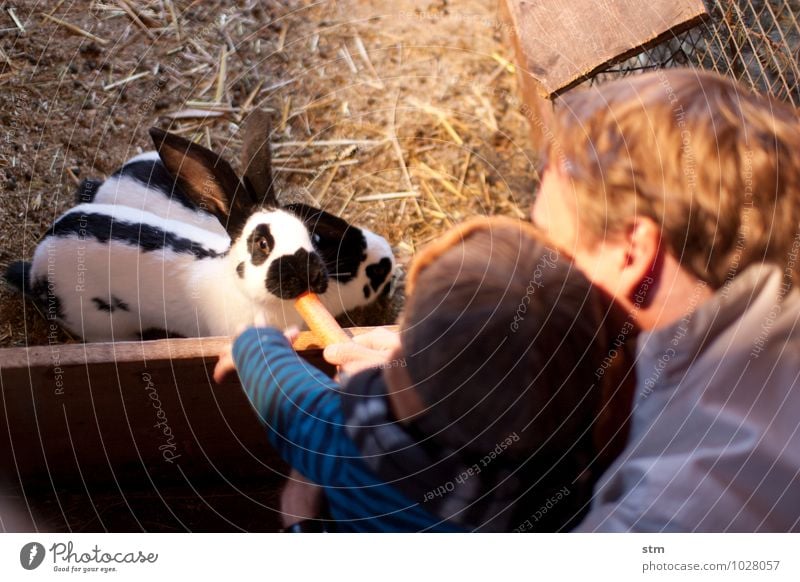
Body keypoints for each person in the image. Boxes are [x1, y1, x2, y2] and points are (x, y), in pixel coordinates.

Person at [330, 68, 800, 531]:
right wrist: (448, 361)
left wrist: (304, 525)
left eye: (554, 250)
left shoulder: (662, 516)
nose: (544, 262)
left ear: (632, 253)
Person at [215, 217, 634, 531]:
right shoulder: (570, 470)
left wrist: (257, 347)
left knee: (300, 502)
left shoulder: (349, 436)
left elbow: (288, 399)